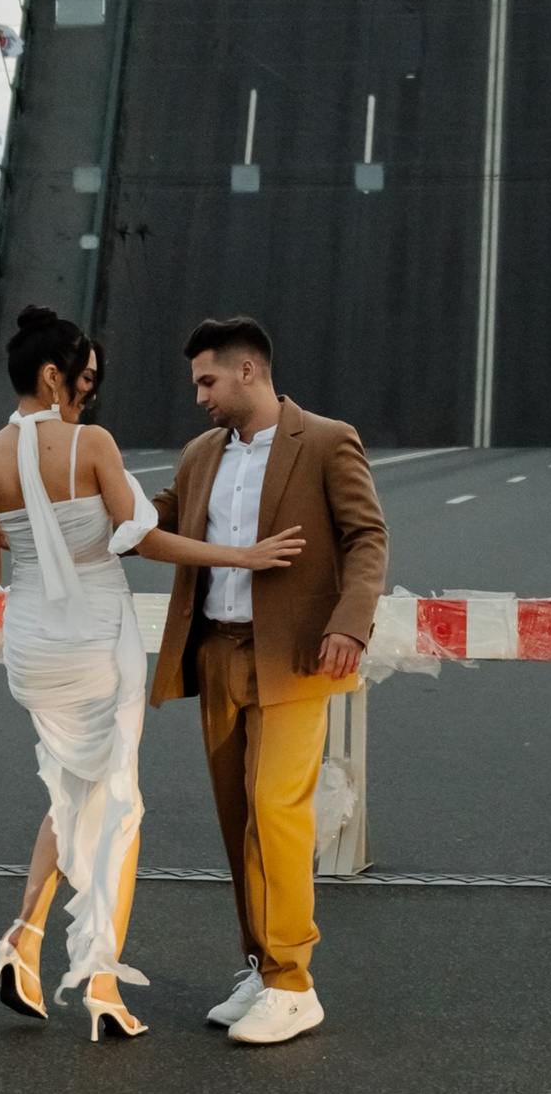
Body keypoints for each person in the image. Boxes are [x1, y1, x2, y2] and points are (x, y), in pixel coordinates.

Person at [0, 307, 307, 1039]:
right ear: (52, 375)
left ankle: (24, 938)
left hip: (33, 643)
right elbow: (142, 538)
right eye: (82, 378)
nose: (89, 391)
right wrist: (242, 557)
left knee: (74, 789)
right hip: (95, 637)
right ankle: (101, 982)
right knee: (117, 802)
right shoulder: (90, 443)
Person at [147, 313, 388, 1050]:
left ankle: (293, 982)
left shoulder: (327, 440)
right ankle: (259, 966)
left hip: (293, 656)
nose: (199, 396)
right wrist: (75, 490)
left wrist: (351, 622)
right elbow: (153, 520)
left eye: (207, 380)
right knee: (237, 816)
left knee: (275, 809)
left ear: (247, 370)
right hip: (215, 653)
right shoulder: (200, 454)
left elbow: (366, 535)